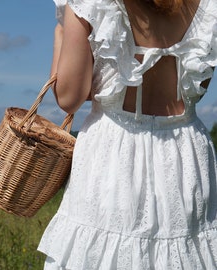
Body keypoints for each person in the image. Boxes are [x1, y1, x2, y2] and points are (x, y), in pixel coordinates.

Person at [38, 0, 217, 269]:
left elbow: (69, 96)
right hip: (185, 157)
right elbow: (197, 87)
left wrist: (61, 32)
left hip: (113, 154)